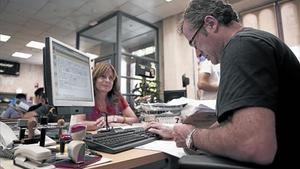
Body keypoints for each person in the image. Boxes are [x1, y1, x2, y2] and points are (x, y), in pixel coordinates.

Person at [146, 0, 300, 167]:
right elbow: (230, 124)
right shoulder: (251, 42)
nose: (198, 55)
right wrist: (177, 131)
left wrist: (192, 136)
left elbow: (253, 144)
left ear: (211, 24)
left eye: (194, 43)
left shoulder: (242, 45)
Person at [76, 63, 139, 131]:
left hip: (111, 138)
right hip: (91, 139)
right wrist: (106, 124)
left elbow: (134, 119)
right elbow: (78, 124)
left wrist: (113, 118)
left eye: (111, 78)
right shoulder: (85, 96)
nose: (107, 80)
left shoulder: (117, 97)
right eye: (103, 76)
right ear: (94, 79)